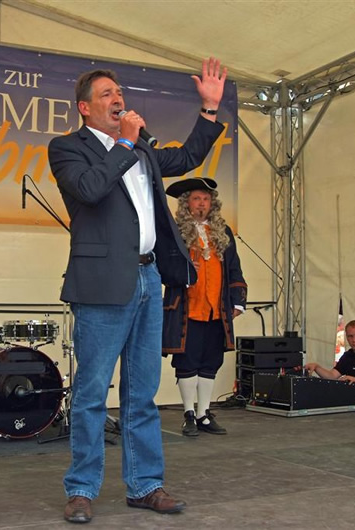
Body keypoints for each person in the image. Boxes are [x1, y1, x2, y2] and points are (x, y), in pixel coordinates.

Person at [48, 57, 227, 524]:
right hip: (102, 284)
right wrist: (125, 142)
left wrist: (209, 109)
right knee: (91, 393)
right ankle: (81, 488)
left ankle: (145, 484)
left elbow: (185, 159)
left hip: (149, 278)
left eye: (119, 92)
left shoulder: (143, 149)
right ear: (85, 108)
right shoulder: (67, 148)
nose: (118, 99)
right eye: (107, 94)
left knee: (143, 392)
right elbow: (90, 189)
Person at [162, 177, 247, 437]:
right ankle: (189, 413)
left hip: (216, 309)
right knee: (187, 362)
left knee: (211, 361)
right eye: (197, 199)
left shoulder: (223, 232)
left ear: (213, 203)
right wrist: (183, 270)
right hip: (187, 308)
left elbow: (234, 268)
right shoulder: (174, 231)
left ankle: (204, 414)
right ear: (186, 203)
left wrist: (238, 301)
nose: (202, 204)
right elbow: (161, 267)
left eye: (206, 199)